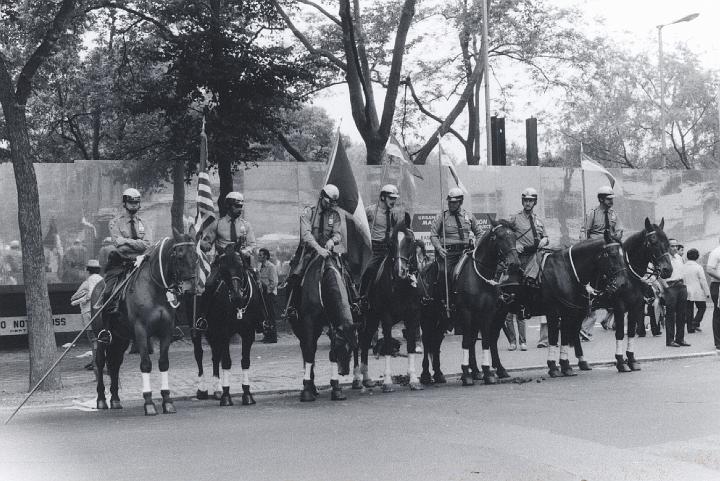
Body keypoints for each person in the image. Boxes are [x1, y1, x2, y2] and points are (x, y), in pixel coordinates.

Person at [197, 191, 259, 330]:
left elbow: (252, 245)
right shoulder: (217, 224)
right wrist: (199, 242)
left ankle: (263, 320)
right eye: (236, 206)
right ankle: (202, 318)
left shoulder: (246, 225)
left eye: (241, 206)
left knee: (260, 286)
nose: (239, 209)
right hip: (222, 264)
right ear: (229, 206)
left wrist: (241, 252)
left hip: (241, 263)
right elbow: (208, 244)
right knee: (209, 284)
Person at [284, 184, 343, 320]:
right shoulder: (309, 212)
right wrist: (319, 249)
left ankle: (352, 303)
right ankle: (292, 307)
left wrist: (332, 241)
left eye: (334, 203)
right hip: (309, 252)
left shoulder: (334, 215)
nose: (331, 205)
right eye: (329, 201)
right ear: (322, 196)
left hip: (328, 252)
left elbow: (338, 234)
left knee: (345, 273)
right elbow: (306, 235)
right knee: (296, 275)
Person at [100, 188, 152, 343]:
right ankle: (106, 330)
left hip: (142, 263)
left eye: (136, 203)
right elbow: (119, 246)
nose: (134, 206)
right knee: (108, 293)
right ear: (125, 203)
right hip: (120, 264)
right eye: (131, 202)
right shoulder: (114, 222)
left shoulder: (144, 223)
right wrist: (137, 244)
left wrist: (126, 241)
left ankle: (169, 325)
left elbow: (148, 244)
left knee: (162, 286)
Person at [430, 187, 483, 318]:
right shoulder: (442, 216)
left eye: (454, 202)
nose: (451, 204)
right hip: (448, 254)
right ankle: (445, 302)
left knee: (477, 273)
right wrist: (438, 248)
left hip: (465, 253)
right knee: (443, 273)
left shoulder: (469, 216)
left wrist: (477, 246)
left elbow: (479, 233)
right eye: (450, 202)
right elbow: (433, 235)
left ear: (460, 202)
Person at [580, 185, 623, 340]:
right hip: (594, 248)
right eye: (608, 199)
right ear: (601, 199)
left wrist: (616, 236)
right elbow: (585, 231)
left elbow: (619, 230)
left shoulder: (613, 215)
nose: (611, 202)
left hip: (609, 248)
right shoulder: (592, 213)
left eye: (611, 199)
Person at [360, 184, 402, 301]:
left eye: (395, 199)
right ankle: (362, 297)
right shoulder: (371, 211)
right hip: (375, 249)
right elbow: (359, 222)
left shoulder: (394, 214)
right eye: (391, 198)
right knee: (369, 270)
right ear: (383, 197)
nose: (393, 201)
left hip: (389, 249)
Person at [70, 260, 104, 370]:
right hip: (99, 312)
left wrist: (77, 301)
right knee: (100, 338)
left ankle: (97, 363)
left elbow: (90, 294)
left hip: (90, 312)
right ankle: (96, 360)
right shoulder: (102, 279)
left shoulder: (92, 279)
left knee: (93, 338)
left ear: (88, 270)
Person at [663, 239, 689, 347]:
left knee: (682, 314)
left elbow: (683, 272)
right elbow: (659, 275)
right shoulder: (665, 258)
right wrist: (665, 288)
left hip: (681, 286)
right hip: (671, 287)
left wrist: (686, 286)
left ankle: (680, 338)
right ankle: (670, 340)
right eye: (672, 246)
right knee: (670, 315)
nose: (675, 248)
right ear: (667, 247)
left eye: (676, 246)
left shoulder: (679, 258)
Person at [684, 248, 710, 333]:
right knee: (702, 307)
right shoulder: (698, 267)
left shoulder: (683, 266)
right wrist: (707, 292)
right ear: (697, 257)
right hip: (697, 289)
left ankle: (690, 328)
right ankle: (695, 322)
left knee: (689, 309)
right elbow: (703, 280)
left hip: (686, 289)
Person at [257, 248, 278, 343]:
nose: (259, 256)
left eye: (261, 255)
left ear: (265, 256)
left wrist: (267, 291)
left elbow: (274, 282)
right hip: (262, 295)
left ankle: (273, 337)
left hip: (269, 295)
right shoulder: (260, 267)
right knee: (265, 316)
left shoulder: (271, 267)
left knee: (271, 316)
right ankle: (267, 335)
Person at [707, 237, 720, 353]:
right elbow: (710, 269)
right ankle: (718, 342)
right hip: (718, 285)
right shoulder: (716, 253)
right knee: (718, 312)